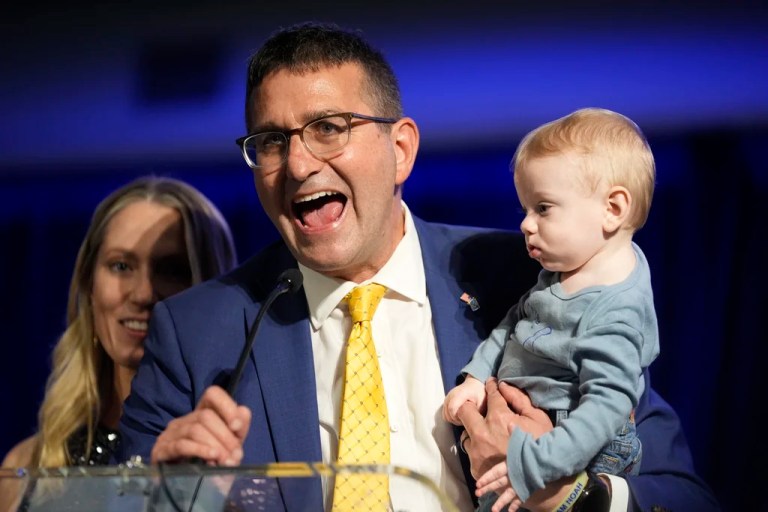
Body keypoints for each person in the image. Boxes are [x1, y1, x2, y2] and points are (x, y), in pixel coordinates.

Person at [118, 22, 719, 511]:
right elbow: (116, 499)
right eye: (271, 141)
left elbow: (681, 495)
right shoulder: (195, 332)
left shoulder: (528, 277)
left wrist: (569, 495)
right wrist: (165, 498)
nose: (297, 164)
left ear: (401, 149)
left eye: (328, 128)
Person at [443, 108, 659, 511]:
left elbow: (605, 410)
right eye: (525, 210)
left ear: (613, 209)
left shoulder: (615, 311)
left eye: (543, 208)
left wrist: (536, 466)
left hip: (569, 446)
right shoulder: (566, 271)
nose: (526, 225)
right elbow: (516, 321)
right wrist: (476, 377)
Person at [0, 176, 237, 511]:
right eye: (121, 266)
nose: (143, 293)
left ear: (211, 291)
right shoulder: (26, 465)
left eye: (172, 270)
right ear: (89, 286)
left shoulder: (241, 467)